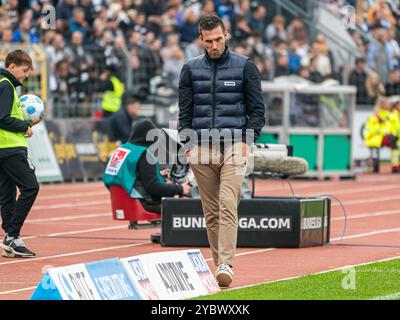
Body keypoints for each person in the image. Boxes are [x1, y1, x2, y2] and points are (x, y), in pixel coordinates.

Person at [178, 15, 265, 287]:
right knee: (211, 211)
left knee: (228, 203)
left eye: (218, 39)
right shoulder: (190, 69)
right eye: (209, 41)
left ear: (225, 35)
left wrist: (246, 140)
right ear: (201, 40)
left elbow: (257, 111)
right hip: (201, 148)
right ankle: (220, 266)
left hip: (234, 146)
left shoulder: (245, 67)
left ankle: (226, 262)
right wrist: (188, 144)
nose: (214, 45)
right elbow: (185, 113)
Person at [104, 119, 191, 214]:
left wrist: (155, 173)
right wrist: (180, 188)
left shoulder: (121, 150)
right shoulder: (144, 154)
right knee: (189, 210)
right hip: (145, 203)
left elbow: (126, 174)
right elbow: (153, 187)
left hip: (123, 201)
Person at [0, 49, 40, 257]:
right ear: (12, 66)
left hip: (2, 147)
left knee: (6, 193)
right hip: (9, 147)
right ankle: (12, 235)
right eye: (24, 70)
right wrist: (25, 127)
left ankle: (10, 238)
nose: (26, 75)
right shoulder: (6, 85)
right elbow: (3, 118)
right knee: (31, 187)